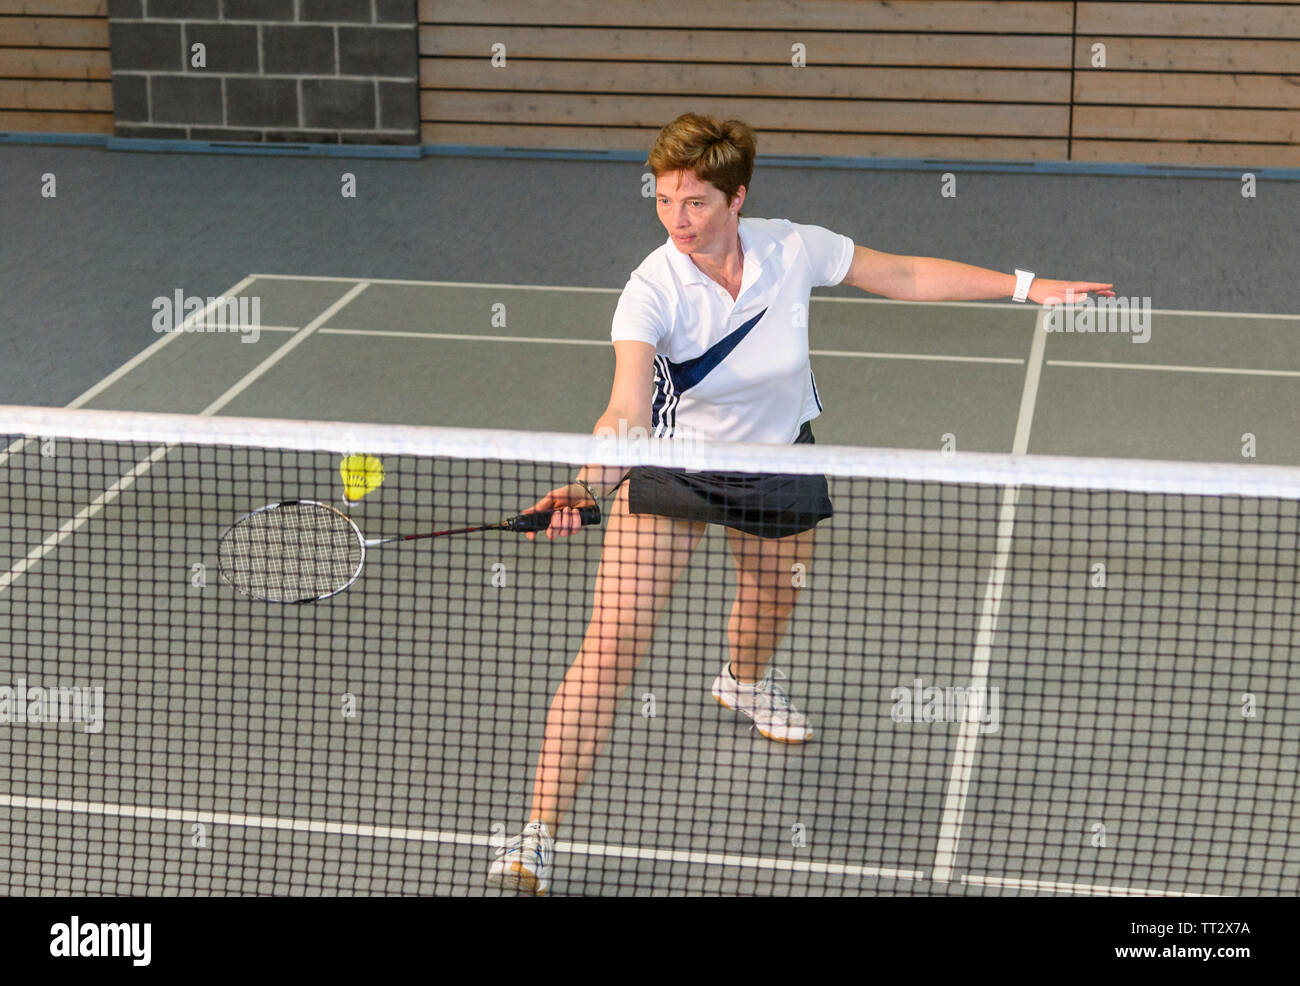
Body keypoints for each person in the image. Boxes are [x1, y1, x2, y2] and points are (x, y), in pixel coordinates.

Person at [488, 113, 1113, 895]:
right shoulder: (651, 290)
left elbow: (906, 276)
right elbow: (625, 408)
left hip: (777, 459)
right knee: (610, 646)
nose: (677, 220)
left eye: (696, 203)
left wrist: (1028, 287)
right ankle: (536, 833)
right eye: (664, 200)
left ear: (737, 197)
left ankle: (741, 682)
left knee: (772, 598)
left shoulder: (792, 248)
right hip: (676, 469)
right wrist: (591, 482)